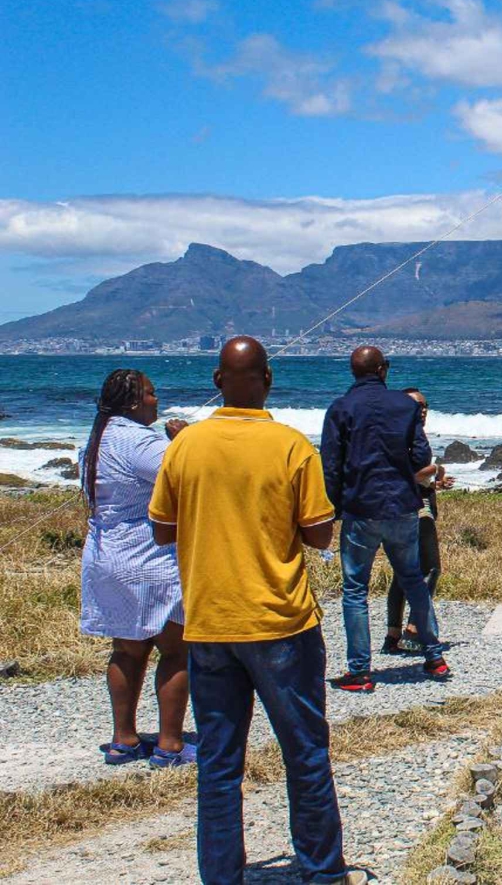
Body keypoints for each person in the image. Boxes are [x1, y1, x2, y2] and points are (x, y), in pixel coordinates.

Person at [148, 337, 367, 885]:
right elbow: (319, 535)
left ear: (217, 381)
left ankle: (222, 875)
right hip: (280, 621)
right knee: (305, 753)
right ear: (268, 380)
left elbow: (161, 528)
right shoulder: (290, 446)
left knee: (219, 762)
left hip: (210, 620)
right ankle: (323, 871)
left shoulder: (185, 445)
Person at [79, 369, 194, 767]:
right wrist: (184, 440)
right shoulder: (139, 440)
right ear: (132, 402)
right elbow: (186, 475)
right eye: (150, 393)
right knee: (176, 650)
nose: (156, 400)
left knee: (127, 650)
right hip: (148, 556)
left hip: (107, 555)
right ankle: (170, 744)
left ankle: (123, 739)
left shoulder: (98, 439)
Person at [321, 346, 450, 691]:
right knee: (413, 580)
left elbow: (331, 465)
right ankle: (434, 656)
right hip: (402, 505)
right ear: (383, 369)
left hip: (361, 507)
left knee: (355, 590)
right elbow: (421, 455)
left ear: (353, 371)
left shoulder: (340, 408)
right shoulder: (405, 406)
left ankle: (360, 671)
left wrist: (336, 507)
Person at [383, 387, 453, 655]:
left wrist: (435, 483)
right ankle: (413, 629)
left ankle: (392, 634)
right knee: (431, 568)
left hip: (404, 506)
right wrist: (435, 469)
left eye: (425, 405)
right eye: (417, 405)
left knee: (402, 573)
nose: (422, 410)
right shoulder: (407, 436)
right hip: (416, 509)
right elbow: (403, 476)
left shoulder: (394, 433)